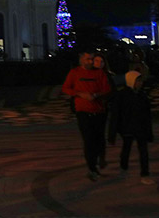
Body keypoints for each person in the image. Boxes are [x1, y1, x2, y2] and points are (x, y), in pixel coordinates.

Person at [62, 50, 113, 181]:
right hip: (83, 111)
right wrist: (80, 94)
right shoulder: (75, 73)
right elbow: (66, 88)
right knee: (88, 140)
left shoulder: (99, 73)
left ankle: (98, 159)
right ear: (81, 59)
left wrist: (96, 95)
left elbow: (107, 89)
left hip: (99, 111)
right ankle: (92, 167)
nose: (90, 62)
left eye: (92, 59)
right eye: (88, 59)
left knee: (98, 139)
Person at [107, 70, 154, 184]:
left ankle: (145, 173)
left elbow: (147, 114)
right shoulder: (122, 95)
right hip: (127, 128)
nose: (140, 83)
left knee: (143, 151)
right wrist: (112, 133)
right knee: (126, 148)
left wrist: (149, 131)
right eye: (138, 81)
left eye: (141, 81)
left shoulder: (142, 95)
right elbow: (116, 115)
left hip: (140, 127)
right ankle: (124, 167)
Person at [93, 52, 116, 168]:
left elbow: (112, 91)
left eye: (101, 62)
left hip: (102, 107)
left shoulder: (107, 75)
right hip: (89, 108)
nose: (99, 64)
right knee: (91, 134)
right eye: (96, 61)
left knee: (100, 133)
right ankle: (93, 156)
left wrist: (105, 100)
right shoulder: (88, 74)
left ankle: (101, 157)